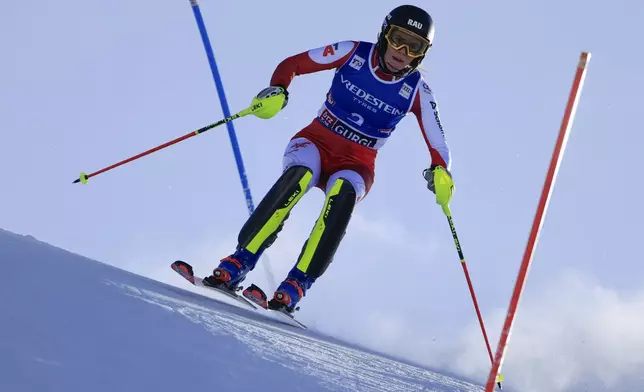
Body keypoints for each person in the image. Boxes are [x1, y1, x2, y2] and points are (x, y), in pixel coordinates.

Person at [203, 4, 454, 313]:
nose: (402, 50)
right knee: (300, 176)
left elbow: (438, 143)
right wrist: (278, 90)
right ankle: (239, 261)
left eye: (414, 46)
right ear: (384, 33)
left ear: (422, 53)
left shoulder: (417, 90)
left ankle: (296, 284)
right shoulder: (352, 52)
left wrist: (441, 172)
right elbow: (292, 64)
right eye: (398, 38)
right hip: (315, 142)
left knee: (343, 193)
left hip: (358, 163)